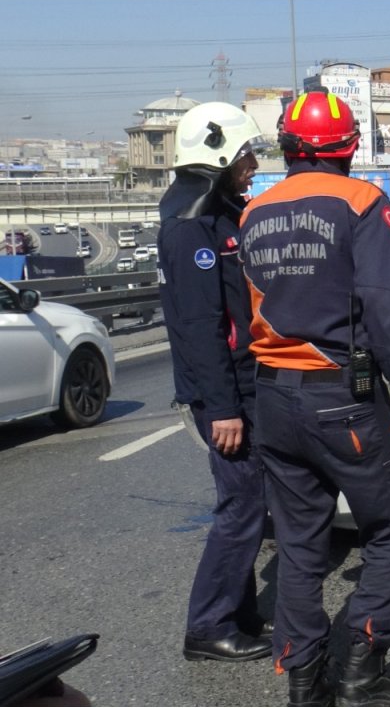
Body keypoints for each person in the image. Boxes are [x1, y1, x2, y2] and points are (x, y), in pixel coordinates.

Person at [239, 91, 390, 707]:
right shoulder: (362, 201)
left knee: (299, 545)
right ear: (349, 147)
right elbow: (385, 307)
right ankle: (361, 674)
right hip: (342, 394)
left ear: (288, 148)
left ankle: (304, 679)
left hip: (273, 395)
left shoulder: (253, 211)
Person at [157, 102, 273, 664]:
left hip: (242, 384)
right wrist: (224, 408)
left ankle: (238, 613)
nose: (253, 165)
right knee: (242, 505)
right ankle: (207, 626)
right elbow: (202, 326)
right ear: (219, 155)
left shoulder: (216, 213)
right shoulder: (192, 227)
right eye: (246, 155)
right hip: (224, 394)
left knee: (249, 503)